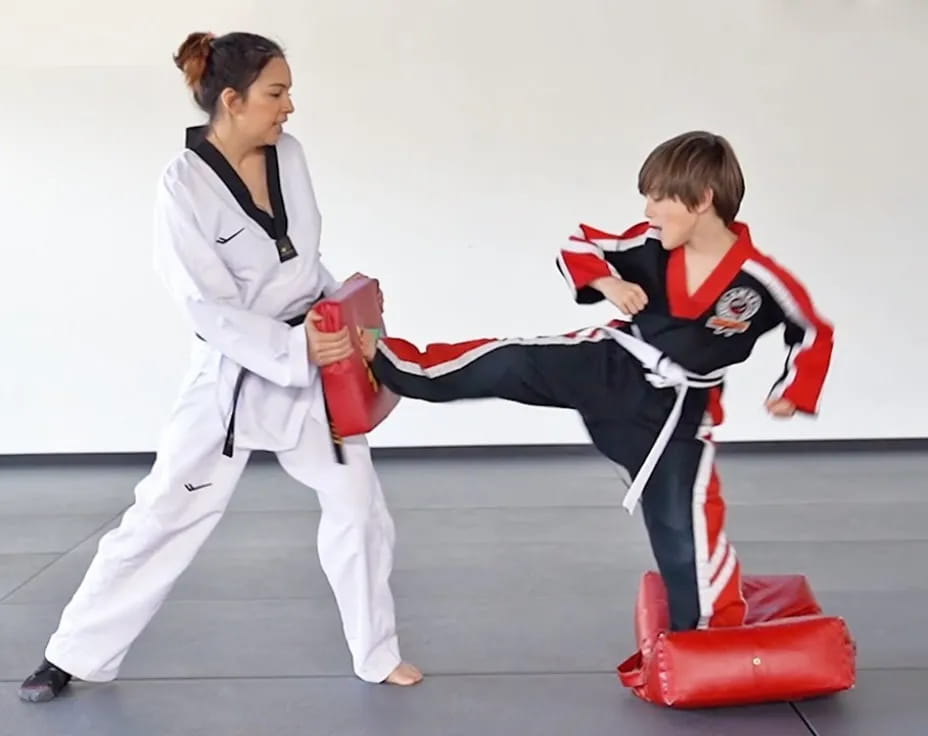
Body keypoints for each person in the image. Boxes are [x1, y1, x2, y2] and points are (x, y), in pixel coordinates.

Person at [18, 30, 422, 703]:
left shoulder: (289, 154)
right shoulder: (182, 185)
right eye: (276, 92)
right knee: (163, 513)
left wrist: (342, 313)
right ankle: (70, 654)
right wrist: (293, 349)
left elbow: (300, 257)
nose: (289, 106)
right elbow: (205, 306)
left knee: (359, 508)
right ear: (231, 100)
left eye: (289, 90)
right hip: (236, 376)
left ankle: (376, 653)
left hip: (316, 368)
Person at [360, 131, 834, 633]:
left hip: (676, 415)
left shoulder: (761, 279)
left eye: (658, 198)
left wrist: (793, 391)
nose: (648, 211)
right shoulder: (646, 244)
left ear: (701, 200)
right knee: (506, 363)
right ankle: (390, 360)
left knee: (683, 528)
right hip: (611, 364)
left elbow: (813, 332)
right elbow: (579, 245)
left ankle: (708, 638)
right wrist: (608, 282)